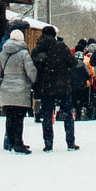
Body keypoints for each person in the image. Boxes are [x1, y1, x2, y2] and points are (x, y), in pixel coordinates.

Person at [31, 24, 80, 152]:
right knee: (67, 114)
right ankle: (70, 142)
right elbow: (73, 63)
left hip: (45, 87)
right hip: (62, 86)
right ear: (54, 35)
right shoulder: (61, 47)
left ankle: (48, 144)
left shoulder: (37, 50)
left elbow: (33, 68)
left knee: (47, 116)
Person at [0, 27, 37, 154]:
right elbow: (31, 72)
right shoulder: (24, 54)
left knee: (10, 118)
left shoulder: (3, 53)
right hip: (20, 90)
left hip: (6, 89)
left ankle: (10, 142)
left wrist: (7, 78)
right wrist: (32, 81)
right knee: (19, 119)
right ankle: (18, 143)